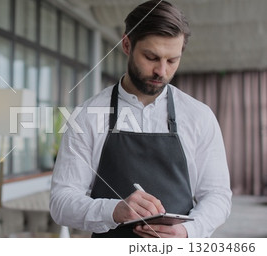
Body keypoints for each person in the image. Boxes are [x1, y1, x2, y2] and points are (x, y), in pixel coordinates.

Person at [49, 0, 232, 238]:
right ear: (127, 44)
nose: (162, 71)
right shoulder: (87, 116)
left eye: (172, 60)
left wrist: (189, 231)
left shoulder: (199, 116)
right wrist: (114, 210)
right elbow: (61, 202)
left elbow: (217, 195)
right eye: (151, 57)